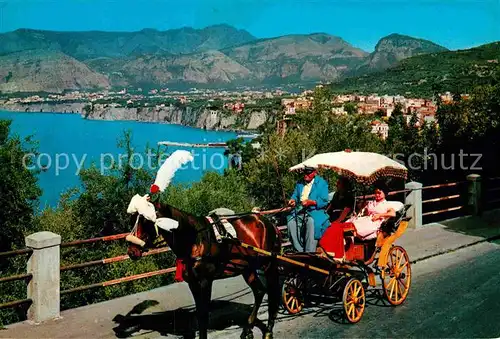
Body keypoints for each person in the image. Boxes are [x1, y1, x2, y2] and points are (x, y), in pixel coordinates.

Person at [318, 182, 396, 259]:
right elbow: (363, 211)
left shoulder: (386, 204)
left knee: (347, 228)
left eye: (379, 193)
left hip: (374, 223)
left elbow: (393, 213)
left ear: (385, 193)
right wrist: (362, 207)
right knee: (336, 226)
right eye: (376, 193)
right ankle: (330, 249)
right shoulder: (372, 203)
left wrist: (380, 215)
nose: (377, 195)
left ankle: (337, 253)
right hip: (365, 220)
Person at [286, 166, 330, 252]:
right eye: (304, 173)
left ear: (314, 173)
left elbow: (324, 201)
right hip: (300, 210)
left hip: (316, 211)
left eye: (308, 173)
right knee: (291, 222)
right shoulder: (300, 183)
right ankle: (299, 251)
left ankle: (310, 251)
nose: (305, 175)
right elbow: (295, 195)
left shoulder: (322, 183)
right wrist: (292, 200)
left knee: (311, 222)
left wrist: (312, 202)